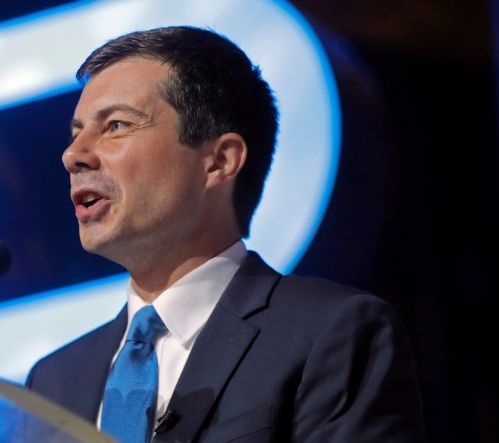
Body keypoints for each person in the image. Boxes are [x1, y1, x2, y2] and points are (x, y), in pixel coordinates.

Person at [25, 26, 426, 442]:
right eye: (76, 135)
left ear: (219, 161)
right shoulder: (54, 380)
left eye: (116, 126)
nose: (73, 155)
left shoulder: (330, 332)